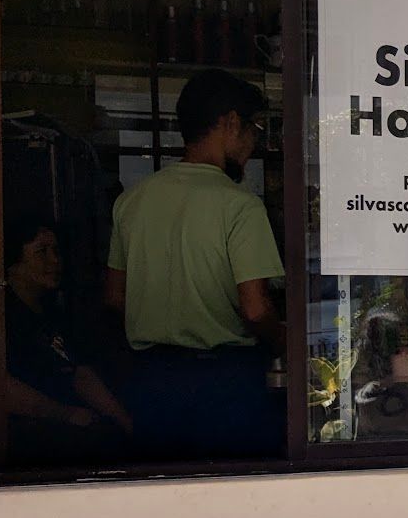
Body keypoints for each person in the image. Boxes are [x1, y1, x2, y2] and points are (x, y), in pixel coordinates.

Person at [105, 69, 285, 459]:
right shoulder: (240, 206)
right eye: (253, 129)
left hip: (150, 380)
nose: (253, 144)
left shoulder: (132, 201)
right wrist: (288, 343)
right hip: (224, 384)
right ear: (231, 123)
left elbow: (115, 298)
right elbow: (255, 309)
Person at [4, 215, 132, 466]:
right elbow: (0, 387)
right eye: (42, 252)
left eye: (56, 251)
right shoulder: (1, 320)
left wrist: (126, 424)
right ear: (12, 264)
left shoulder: (53, 314)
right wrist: (67, 415)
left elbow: (80, 373)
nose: (54, 261)